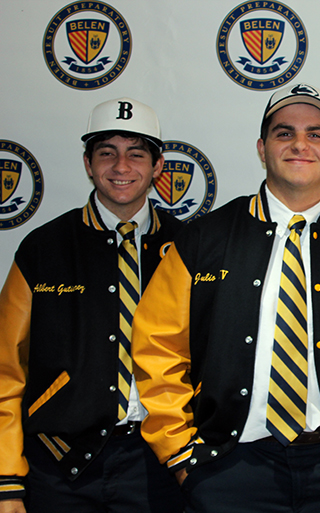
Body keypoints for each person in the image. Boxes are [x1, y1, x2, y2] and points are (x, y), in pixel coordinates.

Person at [131, 83, 320, 513]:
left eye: (316, 134)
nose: (300, 144)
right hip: (228, 468)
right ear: (262, 148)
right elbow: (157, 346)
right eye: (284, 133)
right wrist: (180, 453)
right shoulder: (205, 238)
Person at [0, 98, 184, 512]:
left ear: (157, 167)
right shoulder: (43, 248)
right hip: (59, 465)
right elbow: (5, 368)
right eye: (107, 153)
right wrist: (7, 479)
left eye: (136, 154)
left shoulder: (189, 247)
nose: (121, 167)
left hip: (159, 464)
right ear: (88, 162)